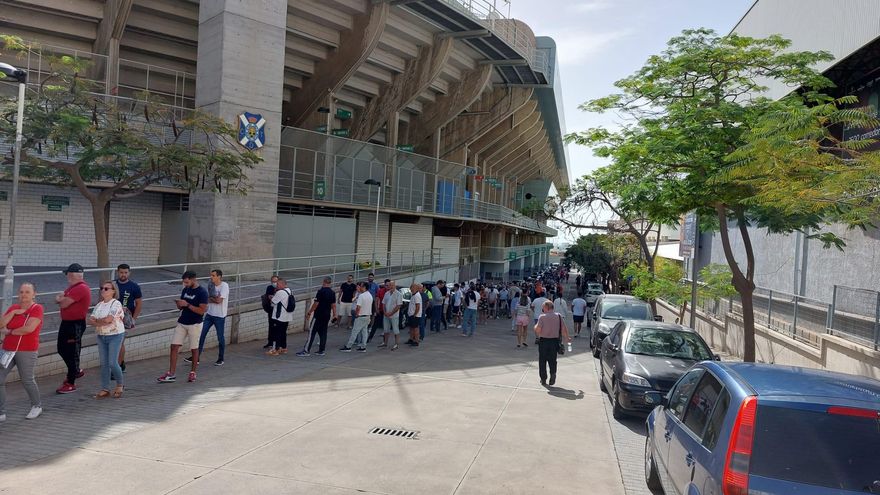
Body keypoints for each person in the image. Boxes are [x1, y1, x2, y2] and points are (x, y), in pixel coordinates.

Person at [0, 283, 44, 421]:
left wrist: (9, 331)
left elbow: (29, 329)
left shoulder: (37, 308)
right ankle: (1, 412)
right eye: (21, 292)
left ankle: (37, 406)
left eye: (27, 292)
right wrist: (13, 313)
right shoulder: (13, 308)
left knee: (27, 380)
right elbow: (1, 324)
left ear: (34, 294)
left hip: (27, 350)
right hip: (8, 350)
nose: (23, 295)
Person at [158, 271, 208, 383]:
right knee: (174, 346)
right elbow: (181, 307)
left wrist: (188, 305)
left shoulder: (202, 292)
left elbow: (201, 311)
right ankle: (171, 373)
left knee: (194, 349)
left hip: (195, 324)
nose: (185, 284)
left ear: (194, 279)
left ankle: (193, 372)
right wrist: (179, 304)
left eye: (187, 282)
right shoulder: (185, 289)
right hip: (182, 322)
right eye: (184, 282)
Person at [55, 263, 91, 394]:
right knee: (61, 348)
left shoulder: (80, 288)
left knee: (71, 352)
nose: (67, 277)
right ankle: (75, 370)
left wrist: (61, 299)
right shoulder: (72, 288)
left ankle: (71, 382)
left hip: (75, 324)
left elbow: (62, 303)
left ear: (72, 274)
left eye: (68, 274)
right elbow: (58, 299)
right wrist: (61, 299)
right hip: (67, 323)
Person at [88, 281, 125, 398]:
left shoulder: (116, 303)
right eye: (102, 288)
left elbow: (109, 319)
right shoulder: (99, 305)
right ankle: (105, 388)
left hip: (115, 335)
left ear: (113, 291)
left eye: (106, 288)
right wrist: (101, 322)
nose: (103, 290)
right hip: (101, 335)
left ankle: (120, 385)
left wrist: (98, 322)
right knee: (104, 364)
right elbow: (90, 320)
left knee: (112, 363)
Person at [195, 269, 229, 366]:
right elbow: (207, 299)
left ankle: (221, 358)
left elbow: (219, 301)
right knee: (201, 335)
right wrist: (214, 298)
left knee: (220, 337)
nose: (211, 277)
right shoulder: (210, 285)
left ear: (219, 276)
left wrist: (212, 299)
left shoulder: (224, 286)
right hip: (209, 314)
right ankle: (196, 357)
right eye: (211, 275)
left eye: (213, 275)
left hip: (219, 316)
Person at [534, 300, 571, 386]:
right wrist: (567, 338)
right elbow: (563, 329)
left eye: (543, 308)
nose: (542, 310)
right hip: (554, 342)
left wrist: (535, 327)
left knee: (542, 360)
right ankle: (553, 374)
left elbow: (538, 330)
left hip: (544, 341)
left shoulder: (542, 317)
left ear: (546, 308)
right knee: (553, 360)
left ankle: (543, 379)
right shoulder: (558, 316)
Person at [299, 276, 337, 357]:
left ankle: (306, 350)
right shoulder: (332, 293)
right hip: (326, 315)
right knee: (323, 333)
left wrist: (309, 312)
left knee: (312, 332)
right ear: (330, 282)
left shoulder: (320, 291)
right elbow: (333, 305)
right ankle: (321, 350)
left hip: (318, 315)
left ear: (323, 282)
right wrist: (334, 315)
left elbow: (316, 304)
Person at [114, 263, 142, 373]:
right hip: (113, 318)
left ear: (129, 273)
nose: (123, 275)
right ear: (117, 272)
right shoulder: (113, 285)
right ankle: (120, 364)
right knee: (114, 342)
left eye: (125, 272)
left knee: (119, 342)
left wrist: (133, 319)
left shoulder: (134, 286)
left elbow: (139, 303)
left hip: (125, 319)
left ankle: (119, 366)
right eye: (121, 272)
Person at [341, 282, 372, 352]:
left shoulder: (361, 296)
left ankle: (348, 346)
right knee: (364, 332)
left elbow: (358, 306)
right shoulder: (369, 295)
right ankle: (363, 347)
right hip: (367, 316)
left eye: (360, 286)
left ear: (364, 287)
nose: (359, 287)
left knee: (354, 331)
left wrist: (357, 314)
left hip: (361, 316)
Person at [267, 278, 294, 355]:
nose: (276, 286)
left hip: (279, 316)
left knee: (277, 333)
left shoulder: (280, 292)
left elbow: (273, 302)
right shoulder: (289, 290)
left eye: (278, 284)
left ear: (282, 284)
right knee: (283, 332)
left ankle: (276, 349)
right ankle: (284, 348)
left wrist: (272, 297)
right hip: (287, 316)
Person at [379, 280, 403, 350]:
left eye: (392, 285)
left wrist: (391, 313)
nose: (391, 286)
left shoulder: (399, 294)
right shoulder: (387, 293)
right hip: (386, 315)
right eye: (390, 285)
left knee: (395, 330)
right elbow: (383, 303)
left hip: (394, 315)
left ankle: (396, 344)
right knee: (386, 330)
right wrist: (385, 312)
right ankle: (385, 343)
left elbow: (398, 306)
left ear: (395, 285)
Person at [262, 275, 279, 349]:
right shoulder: (269, 287)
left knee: (277, 327)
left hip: (278, 311)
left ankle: (277, 343)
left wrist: (273, 297)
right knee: (271, 325)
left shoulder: (280, 289)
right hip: (271, 309)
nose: (274, 283)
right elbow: (269, 296)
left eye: (275, 281)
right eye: (273, 281)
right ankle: (270, 342)